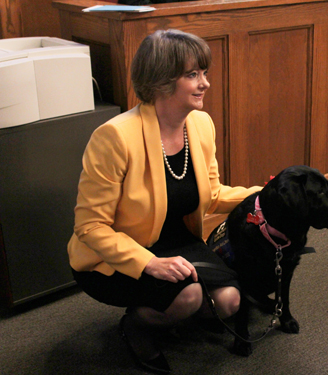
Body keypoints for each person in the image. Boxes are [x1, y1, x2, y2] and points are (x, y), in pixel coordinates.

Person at [68, 29, 261, 374]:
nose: (205, 84)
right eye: (192, 75)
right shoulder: (114, 137)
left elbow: (213, 194)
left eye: (204, 73)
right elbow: (89, 226)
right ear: (160, 81)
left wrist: (263, 193)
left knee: (229, 301)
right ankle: (136, 328)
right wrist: (147, 263)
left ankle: (166, 314)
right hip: (116, 254)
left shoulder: (200, 124)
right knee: (189, 297)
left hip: (175, 240)